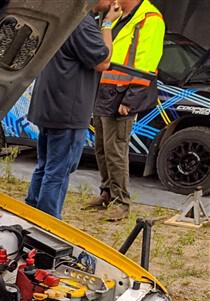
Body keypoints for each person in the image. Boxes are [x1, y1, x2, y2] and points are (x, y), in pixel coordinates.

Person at [24, 1, 120, 219]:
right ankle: (48, 223)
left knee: (45, 166)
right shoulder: (82, 23)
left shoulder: (62, 15)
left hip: (49, 105)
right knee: (58, 171)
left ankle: (30, 213)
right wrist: (107, 24)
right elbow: (103, 61)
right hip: (67, 108)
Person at [84, 0, 165, 221]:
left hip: (123, 95)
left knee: (116, 150)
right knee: (101, 147)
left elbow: (146, 63)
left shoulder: (150, 18)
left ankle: (121, 202)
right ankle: (107, 192)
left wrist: (131, 99)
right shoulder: (116, 15)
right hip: (105, 91)